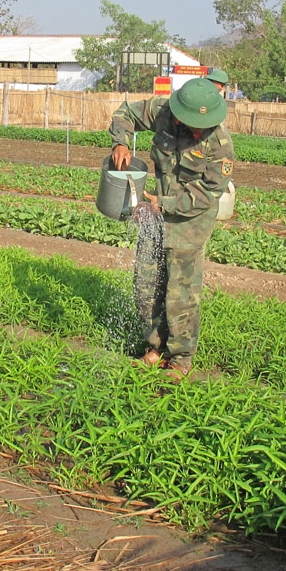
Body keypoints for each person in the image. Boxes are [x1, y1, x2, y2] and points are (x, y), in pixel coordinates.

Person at [109, 77, 234, 380]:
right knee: (146, 285)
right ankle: (154, 347)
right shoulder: (162, 110)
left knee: (180, 294)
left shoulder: (220, 144)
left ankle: (180, 358)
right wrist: (121, 141)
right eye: (190, 123)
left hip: (190, 222)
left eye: (200, 126)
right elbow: (125, 112)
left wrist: (162, 204)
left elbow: (208, 193)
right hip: (155, 212)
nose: (195, 131)